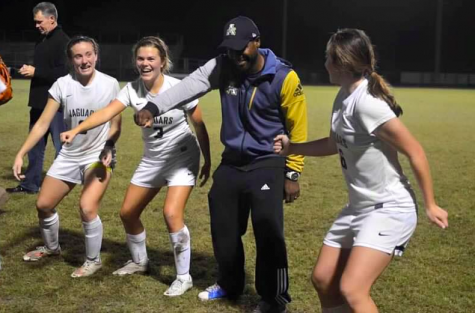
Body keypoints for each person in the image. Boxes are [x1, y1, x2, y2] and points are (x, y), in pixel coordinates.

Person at [134, 16, 307, 313]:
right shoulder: (222, 65)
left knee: (268, 231)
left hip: (268, 161)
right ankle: (230, 284)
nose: (235, 55)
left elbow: (297, 127)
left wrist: (292, 172)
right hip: (233, 161)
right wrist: (152, 106)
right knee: (224, 228)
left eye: (242, 48)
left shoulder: (283, 76)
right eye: (230, 49)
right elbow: (187, 87)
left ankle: (274, 298)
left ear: (257, 42)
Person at [273, 28, 449, 313]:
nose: (324, 63)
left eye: (327, 57)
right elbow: (334, 143)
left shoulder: (368, 104)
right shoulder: (343, 96)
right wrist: (294, 148)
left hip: (389, 209)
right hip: (358, 207)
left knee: (353, 289)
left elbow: (415, 150)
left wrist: (430, 204)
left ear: (341, 62)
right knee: (323, 279)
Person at [60, 36, 211, 296]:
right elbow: (106, 113)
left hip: (181, 156)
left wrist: (207, 159)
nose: (145, 63)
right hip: (152, 158)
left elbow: (199, 125)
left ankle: (183, 276)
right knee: (128, 212)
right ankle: (140, 262)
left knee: (171, 213)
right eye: (140, 59)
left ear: (163, 62)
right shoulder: (131, 90)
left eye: (151, 58)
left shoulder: (181, 87)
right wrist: (78, 130)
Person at [12, 36, 121, 277]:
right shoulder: (62, 84)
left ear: (96, 55)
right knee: (43, 204)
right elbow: (42, 123)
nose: (85, 60)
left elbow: (115, 125)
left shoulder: (110, 84)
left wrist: (109, 146)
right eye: (78, 56)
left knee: (87, 207)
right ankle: (52, 248)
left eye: (89, 54)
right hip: (69, 155)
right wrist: (22, 152)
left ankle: (93, 260)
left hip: (98, 155)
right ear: (71, 60)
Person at [7, 2, 69, 194]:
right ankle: (30, 184)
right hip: (38, 102)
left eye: (39, 21)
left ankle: (63, 183)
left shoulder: (64, 41)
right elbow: (43, 71)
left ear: (52, 19)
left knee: (61, 148)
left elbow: (65, 73)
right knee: (35, 146)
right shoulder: (41, 40)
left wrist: (37, 72)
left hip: (56, 105)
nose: (36, 25)